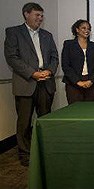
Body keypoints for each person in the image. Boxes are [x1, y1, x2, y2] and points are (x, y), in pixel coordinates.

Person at [4, 3, 59, 166]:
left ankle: (44, 151)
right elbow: (12, 57)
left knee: (44, 120)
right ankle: (25, 155)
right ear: (26, 14)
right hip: (26, 83)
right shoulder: (13, 32)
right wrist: (32, 73)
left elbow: (55, 57)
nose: (40, 18)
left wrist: (49, 71)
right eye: (37, 15)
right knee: (24, 122)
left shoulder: (47, 35)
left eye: (42, 16)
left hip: (46, 83)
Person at [61, 19, 94, 104]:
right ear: (77, 30)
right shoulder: (68, 44)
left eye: (88, 29)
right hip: (73, 84)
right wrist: (78, 82)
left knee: (90, 111)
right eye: (84, 28)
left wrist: (91, 81)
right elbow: (65, 65)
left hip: (91, 83)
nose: (87, 30)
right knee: (75, 112)